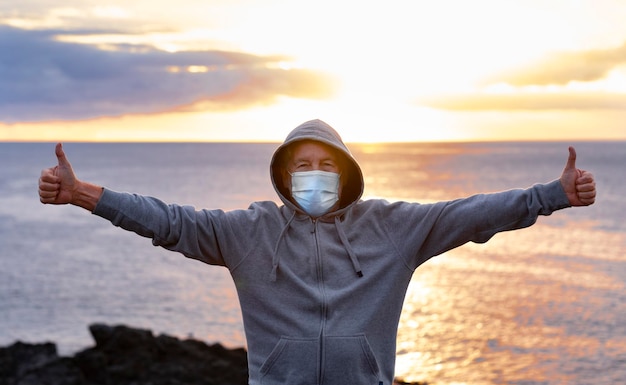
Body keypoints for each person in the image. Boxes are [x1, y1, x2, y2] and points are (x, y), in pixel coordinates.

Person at [38, 119, 596, 385]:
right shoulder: (247, 232)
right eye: (302, 164)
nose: (314, 174)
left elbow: (470, 214)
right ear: (283, 174)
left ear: (347, 171)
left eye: (326, 163)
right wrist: (85, 195)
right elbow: (170, 222)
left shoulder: (393, 228)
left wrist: (552, 195)